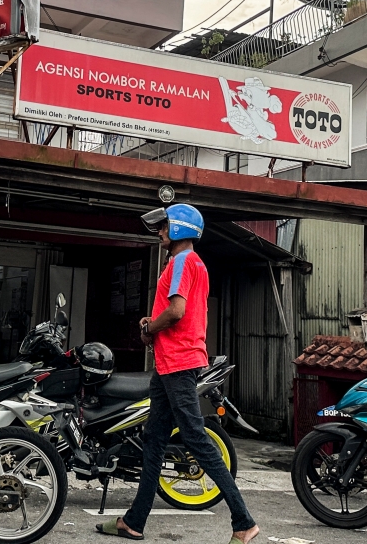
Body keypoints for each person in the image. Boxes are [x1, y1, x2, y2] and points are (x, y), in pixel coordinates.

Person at [96, 204, 259, 543]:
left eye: (164, 227)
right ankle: (134, 521)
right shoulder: (188, 262)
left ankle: (243, 522)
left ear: (180, 229)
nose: (159, 232)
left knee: (196, 439)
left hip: (180, 364)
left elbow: (177, 312)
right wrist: (153, 326)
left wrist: (149, 329)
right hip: (169, 365)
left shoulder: (184, 260)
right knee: (153, 440)